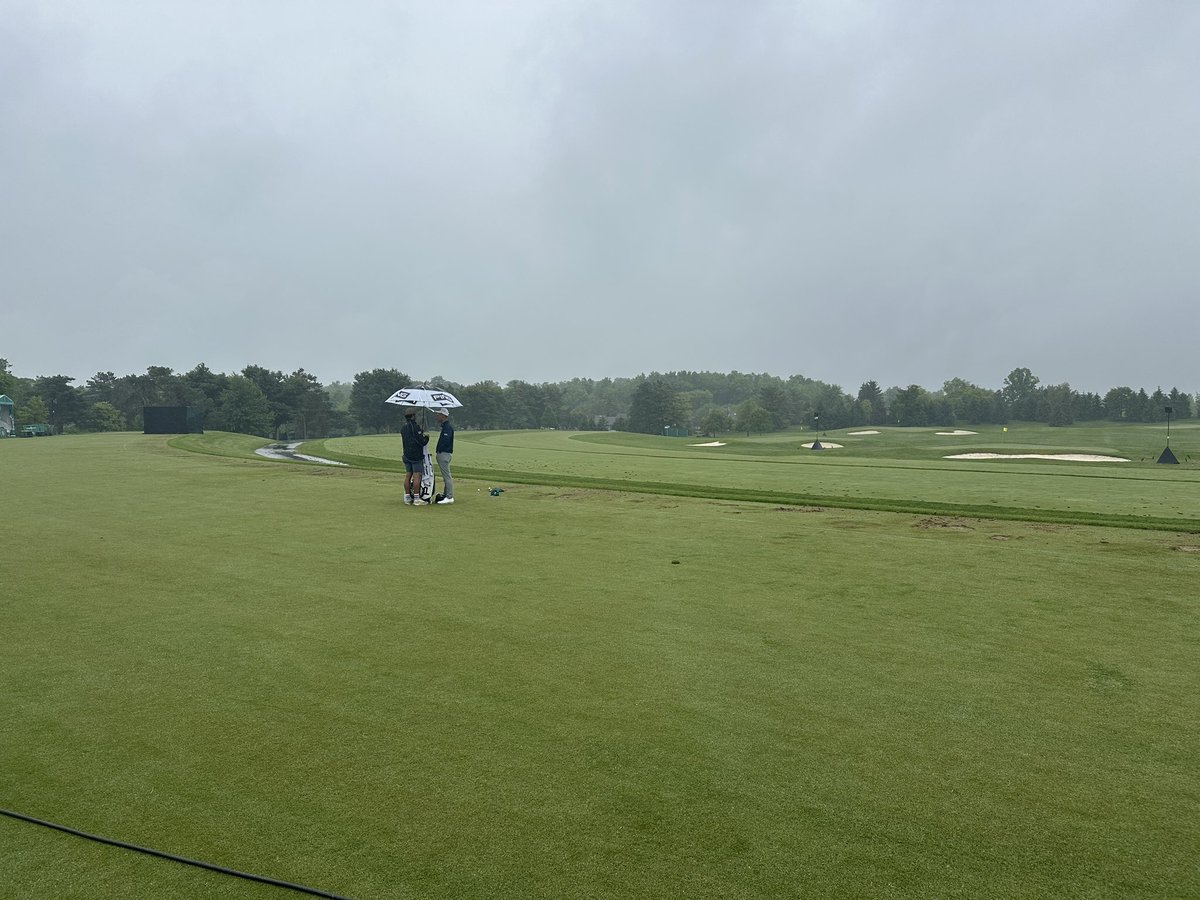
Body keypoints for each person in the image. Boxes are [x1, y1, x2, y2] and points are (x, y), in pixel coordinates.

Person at [399, 410, 429, 505]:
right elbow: (422, 441)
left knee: (408, 475)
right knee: (417, 476)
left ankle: (407, 497)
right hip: (415, 455)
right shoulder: (415, 427)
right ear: (412, 416)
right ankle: (416, 498)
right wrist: (426, 437)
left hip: (406, 454)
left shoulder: (403, 427)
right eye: (414, 415)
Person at [434, 409, 455, 504]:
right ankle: (446, 494)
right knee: (446, 475)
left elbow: (445, 441)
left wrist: (439, 450)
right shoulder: (445, 426)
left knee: (447, 476)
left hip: (444, 454)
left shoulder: (447, 427)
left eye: (439, 414)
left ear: (443, 416)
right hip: (444, 454)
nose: (437, 416)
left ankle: (449, 497)